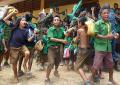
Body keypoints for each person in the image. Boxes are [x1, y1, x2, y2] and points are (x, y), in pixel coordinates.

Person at [3, 7, 35, 83]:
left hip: (21, 46)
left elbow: (28, 40)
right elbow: (5, 19)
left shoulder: (26, 30)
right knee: (14, 64)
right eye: (23, 20)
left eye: (25, 20)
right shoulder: (14, 26)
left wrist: (34, 34)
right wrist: (13, 13)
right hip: (13, 48)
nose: (25, 21)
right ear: (19, 22)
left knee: (27, 53)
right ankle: (15, 76)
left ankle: (24, 65)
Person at [91, 7, 119, 84]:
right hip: (99, 47)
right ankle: (90, 80)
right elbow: (95, 35)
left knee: (111, 65)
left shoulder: (109, 23)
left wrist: (114, 35)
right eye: (104, 13)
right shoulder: (97, 23)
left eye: (107, 13)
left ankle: (111, 79)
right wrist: (106, 37)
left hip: (108, 47)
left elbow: (109, 34)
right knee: (96, 65)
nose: (107, 14)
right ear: (100, 15)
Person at [45, 15, 67, 84]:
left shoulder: (62, 29)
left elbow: (65, 36)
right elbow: (51, 38)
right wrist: (62, 41)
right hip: (51, 48)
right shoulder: (50, 29)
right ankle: (47, 77)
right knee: (51, 63)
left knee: (57, 62)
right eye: (55, 20)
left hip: (59, 48)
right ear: (53, 22)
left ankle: (56, 70)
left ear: (60, 22)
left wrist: (67, 34)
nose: (56, 21)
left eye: (58, 20)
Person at [73, 17, 92, 85]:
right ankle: (95, 77)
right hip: (89, 49)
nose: (77, 24)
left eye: (78, 22)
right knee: (90, 65)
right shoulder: (88, 29)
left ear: (80, 23)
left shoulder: (79, 30)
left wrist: (74, 39)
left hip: (82, 50)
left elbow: (76, 40)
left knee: (77, 67)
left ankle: (87, 81)